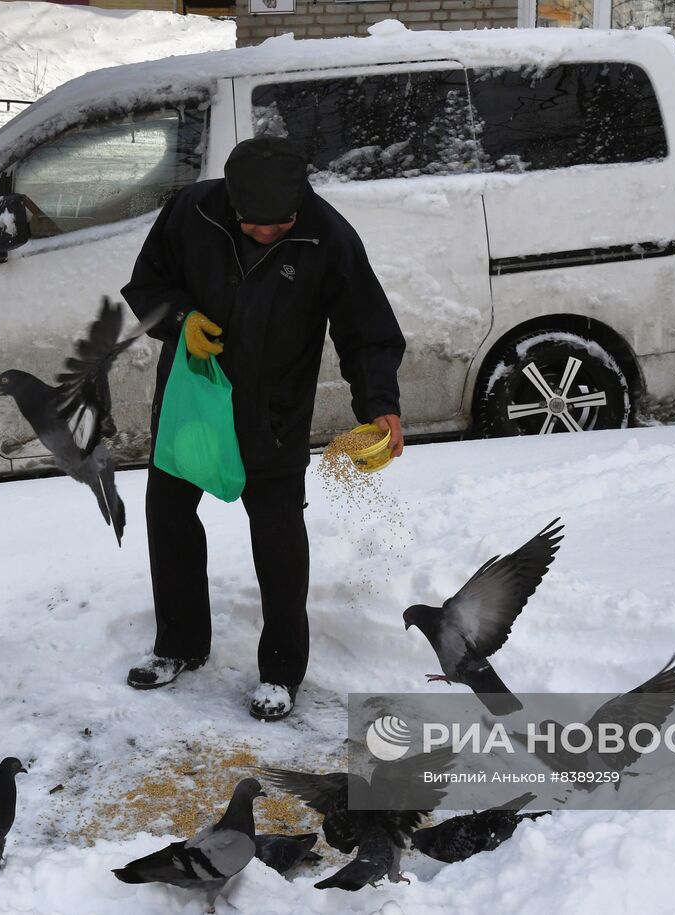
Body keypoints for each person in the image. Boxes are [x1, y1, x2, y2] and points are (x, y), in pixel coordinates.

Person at [121, 136, 406, 721]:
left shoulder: (328, 235)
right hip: (193, 405)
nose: (269, 233)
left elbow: (365, 328)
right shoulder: (190, 212)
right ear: (231, 201)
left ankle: (279, 672)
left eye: (283, 224)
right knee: (168, 517)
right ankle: (179, 646)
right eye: (256, 225)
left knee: (277, 538)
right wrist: (182, 320)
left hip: (273, 412)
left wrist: (379, 404)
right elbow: (146, 286)